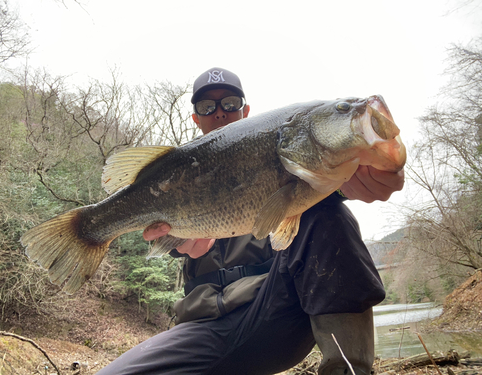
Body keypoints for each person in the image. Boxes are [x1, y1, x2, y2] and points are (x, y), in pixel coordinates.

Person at [97, 68, 405, 375]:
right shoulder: (175, 176)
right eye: (207, 107)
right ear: (196, 118)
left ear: (246, 111)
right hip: (202, 329)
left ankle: (349, 369)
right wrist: (184, 243)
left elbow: (338, 183)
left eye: (229, 103)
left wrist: (374, 170)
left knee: (328, 212)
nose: (219, 113)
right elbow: (169, 240)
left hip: (276, 313)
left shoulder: (304, 168)